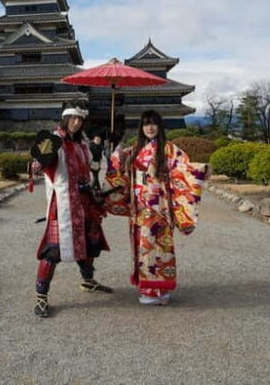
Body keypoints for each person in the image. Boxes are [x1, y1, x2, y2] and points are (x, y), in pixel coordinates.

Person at [30, 100, 112, 318]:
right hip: (64, 202)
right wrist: (37, 165)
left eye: (80, 119)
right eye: (72, 118)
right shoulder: (54, 140)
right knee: (53, 250)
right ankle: (41, 296)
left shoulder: (83, 144)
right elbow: (38, 162)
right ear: (65, 118)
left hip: (85, 201)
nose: (76, 122)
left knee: (90, 243)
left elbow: (90, 170)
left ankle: (88, 281)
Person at [120, 109, 207, 305]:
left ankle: (159, 292)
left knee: (158, 247)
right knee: (143, 247)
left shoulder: (168, 149)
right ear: (141, 128)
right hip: (139, 207)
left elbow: (184, 169)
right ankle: (151, 288)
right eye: (146, 124)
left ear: (159, 126)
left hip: (159, 207)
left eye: (153, 124)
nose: (150, 128)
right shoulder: (136, 149)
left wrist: (200, 171)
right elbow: (121, 167)